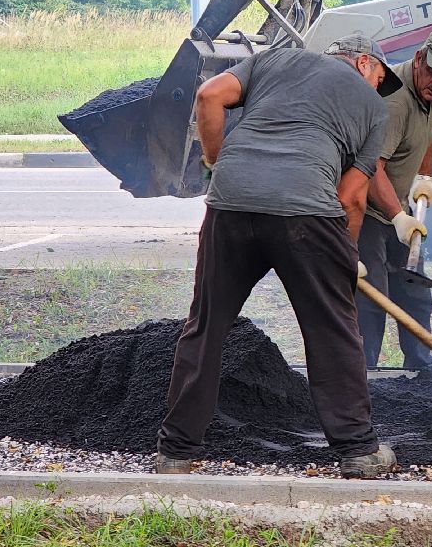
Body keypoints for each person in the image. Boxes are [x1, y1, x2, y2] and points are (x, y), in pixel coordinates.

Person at [155, 33, 403, 479]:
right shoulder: (373, 110)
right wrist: (344, 261)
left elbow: (209, 95)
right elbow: (351, 199)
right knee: (333, 329)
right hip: (307, 216)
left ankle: (176, 452)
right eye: (380, 78)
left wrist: (218, 161)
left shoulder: (274, 60)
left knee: (206, 326)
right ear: (364, 63)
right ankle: (358, 451)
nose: (377, 90)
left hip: (230, 204)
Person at [356, 30, 432, 371]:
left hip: (396, 209)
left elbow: (428, 134)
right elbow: (371, 167)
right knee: (371, 299)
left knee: (416, 293)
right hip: (368, 213)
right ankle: (364, 376)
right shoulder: (395, 100)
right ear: (419, 59)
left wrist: (425, 177)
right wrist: (398, 216)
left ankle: (421, 368)